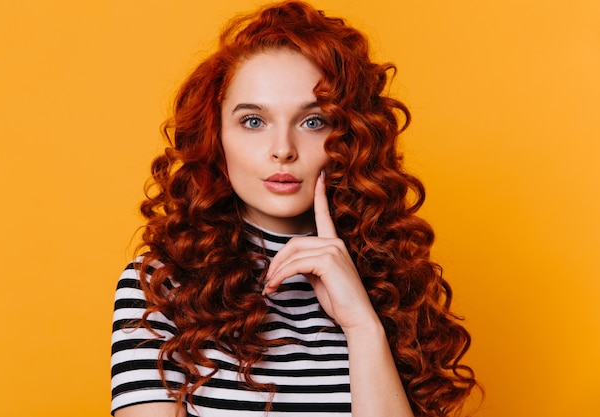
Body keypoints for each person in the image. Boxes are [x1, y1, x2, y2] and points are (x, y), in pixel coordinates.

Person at [110, 1, 478, 416]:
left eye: (313, 121)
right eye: (253, 121)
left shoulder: (392, 286)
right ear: (217, 136)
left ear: (351, 138)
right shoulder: (161, 286)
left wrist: (361, 325)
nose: (282, 150)